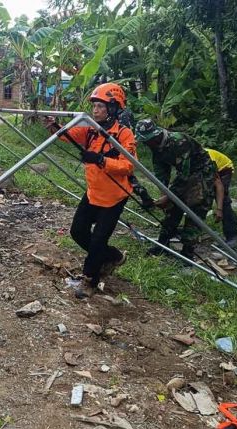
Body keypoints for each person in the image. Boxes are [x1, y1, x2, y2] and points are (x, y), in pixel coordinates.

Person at [43, 83, 136, 298]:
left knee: (97, 240)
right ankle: (113, 256)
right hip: (94, 192)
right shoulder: (92, 130)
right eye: (94, 106)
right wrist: (55, 127)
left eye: (100, 106)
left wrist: (101, 159)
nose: (95, 110)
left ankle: (90, 280)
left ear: (113, 108)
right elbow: (71, 135)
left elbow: (128, 166)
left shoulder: (123, 134)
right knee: (77, 231)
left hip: (114, 197)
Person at [135, 119, 223, 259]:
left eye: (147, 140)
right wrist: (164, 194)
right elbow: (161, 173)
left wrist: (169, 196)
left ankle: (188, 253)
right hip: (185, 174)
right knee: (172, 208)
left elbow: (184, 175)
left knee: (195, 209)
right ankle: (162, 245)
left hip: (202, 174)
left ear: (156, 136)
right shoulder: (155, 148)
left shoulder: (178, 142)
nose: (146, 144)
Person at [206, 148, 237, 247]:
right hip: (208, 168)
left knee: (223, 200)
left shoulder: (207, 159)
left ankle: (232, 235)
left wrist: (219, 209)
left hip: (223, 169)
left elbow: (218, 185)